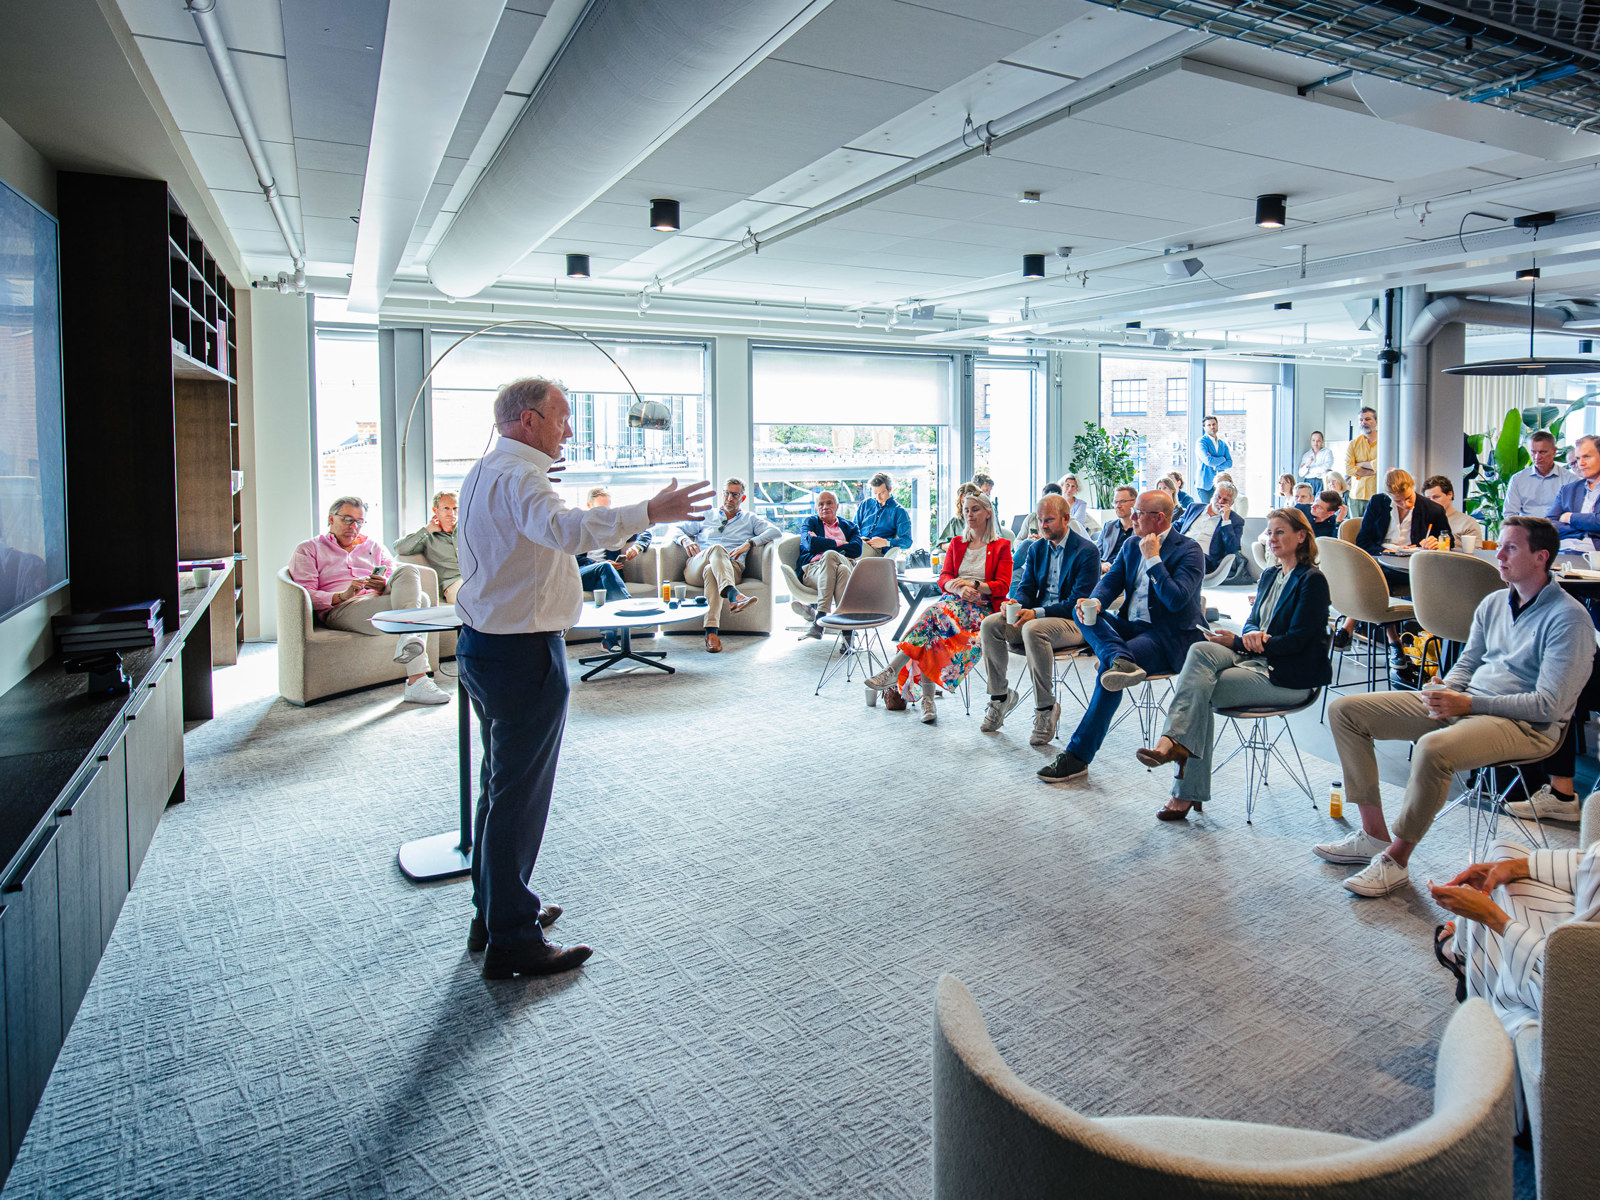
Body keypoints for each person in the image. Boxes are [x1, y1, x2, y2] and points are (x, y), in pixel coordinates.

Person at [455, 376, 712, 978]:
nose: (569, 430)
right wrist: (650, 511)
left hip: (484, 644)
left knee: (499, 788)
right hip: (522, 652)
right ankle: (512, 942)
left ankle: (494, 912)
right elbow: (567, 532)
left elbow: (534, 534)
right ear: (527, 420)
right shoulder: (522, 478)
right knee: (518, 797)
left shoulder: (488, 469)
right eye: (561, 417)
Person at [1315, 517, 1591, 898]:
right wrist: (1446, 688)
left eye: (1511, 548)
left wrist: (1468, 701)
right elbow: (1468, 662)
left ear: (1541, 557)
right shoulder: (1494, 603)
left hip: (1525, 726)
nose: (1499, 555)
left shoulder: (1569, 619)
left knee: (1432, 749)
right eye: (1501, 546)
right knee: (1346, 712)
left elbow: (1548, 705)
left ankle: (1396, 861)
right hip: (1468, 703)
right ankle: (1374, 835)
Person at [1137, 507, 1331, 820]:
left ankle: (1182, 781)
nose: (1271, 538)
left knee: (1200, 690)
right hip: (1255, 657)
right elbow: (1253, 620)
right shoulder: (1270, 575)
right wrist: (1250, 634)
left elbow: (1298, 641)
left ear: (1301, 536)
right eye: (1270, 532)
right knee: (1201, 649)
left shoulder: (1312, 581)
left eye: (1280, 532)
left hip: (1287, 676)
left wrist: (1242, 642)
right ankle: (1172, 743)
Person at [1037, 490, 1206, 783]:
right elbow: (1109, 583)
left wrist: (1153, 559)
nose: (1131, 516)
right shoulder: (1130, 545)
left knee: (1108, 672)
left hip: (1167, 636)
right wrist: (1095, 602)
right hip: (1131, 627)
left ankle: (1077, 756)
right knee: (1082, 611)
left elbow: (1176, 600)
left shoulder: (1189, 550)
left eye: (1138, 512)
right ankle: (1119, 657)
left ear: (1160, 518)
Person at [864, 492, 1011, 724]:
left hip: (981, 611)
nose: (969, 514)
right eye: (966, 510)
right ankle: (926, 701)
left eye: (975, 509)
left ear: (988, 513)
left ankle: (898, 676)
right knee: (932, 631)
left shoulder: (1001, 546)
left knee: (933, 617)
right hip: (952, 605)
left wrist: (974, 586)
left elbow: (1003, 585)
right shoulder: (957, 543)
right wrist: (958, 589)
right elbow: (944, 578)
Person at [1431, 835, 1600, 1034]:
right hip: (1583, 916)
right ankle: (1471, 957)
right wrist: (1516, 867)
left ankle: (1466, 962)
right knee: (1500, 854)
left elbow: (1573, 981)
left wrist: (1493, 917)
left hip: (1571, 975)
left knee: (1498, 895)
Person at [288, 496, 448, 705]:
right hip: (341, 609)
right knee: (423, 601)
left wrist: (382, 586)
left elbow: (395, 579)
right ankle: (417, 679)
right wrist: (343, 595)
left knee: (409, 572)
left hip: (374, 601)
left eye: (359, 522)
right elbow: (305, 594)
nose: (353, 527)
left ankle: (409, 642)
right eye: (347, 520)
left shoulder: (374, 546)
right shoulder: (308, 549)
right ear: (331, 519)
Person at [978, 494, 1098, 746]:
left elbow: (1077, 601)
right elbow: (1027, 587)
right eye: (1040, 520)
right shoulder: (1036, 549)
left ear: (1066, 519)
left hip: (1072, 621)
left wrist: (1037, 613)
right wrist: (1016, 604)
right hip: (1036, 618)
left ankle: (1045, 708)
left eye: (1049, 520)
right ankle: (1000, 697)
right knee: (990, 624)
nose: (1043, 526)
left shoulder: (1087, 551)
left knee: (1033, 629)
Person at [672, 476, 780, 652]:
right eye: (727, 494)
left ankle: (711, 633)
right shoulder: (707, 515)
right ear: (722, 494)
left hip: (731, 569)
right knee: (716, 549)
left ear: (742, 498)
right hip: (696, 568)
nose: (730, 498)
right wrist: (685, 540)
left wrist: (749, 543)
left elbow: (775, 531)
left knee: (712, 570)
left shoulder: (750, 519)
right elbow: (675, 528)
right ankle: (733, 595)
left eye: (735, 495)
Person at [576, 486, 652, 651]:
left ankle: (608, 639)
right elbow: (571, 558)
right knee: (604, 567)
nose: (605, 513)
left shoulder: (613, 526)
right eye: (600, 508)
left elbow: (645, 533)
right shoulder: (579, 527)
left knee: (603, 584)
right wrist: (595, 564)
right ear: (589, 506)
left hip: (607, 577)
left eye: (608, 508)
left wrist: (637, 547)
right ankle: (630, 609)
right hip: (582, 574)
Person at [796, 489, 863, 637]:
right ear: (816, 508)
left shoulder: (850, 526)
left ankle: (820, 618)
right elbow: (810, 544)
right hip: (815, 569)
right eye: (821, 504)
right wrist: (841, 543)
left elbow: (857, 549)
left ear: (837, 506)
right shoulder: (810, 523)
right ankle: (848, 634)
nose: (825, 507)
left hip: (844, 562)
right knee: (842, 571)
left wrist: (823, 543)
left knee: (831, 555)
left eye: (829, 503)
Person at [394, 490, 462, 602]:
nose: (452, 513)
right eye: (446, 508)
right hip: (453, 585)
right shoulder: (427, 538)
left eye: (455, 508)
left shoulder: (468, 530)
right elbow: (400, 548)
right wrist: (427, 529)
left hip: (477, 579)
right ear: (435, 510)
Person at [1175, 480, 1244, 574]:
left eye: (1225, 500)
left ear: (1231, 503)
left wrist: (1226, 521)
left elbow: (1232, 549)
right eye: (1218, 496)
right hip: (1180, 550)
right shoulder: (1194, 508)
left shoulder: (1236, 521)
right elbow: (1176, 526)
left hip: (1204, 559)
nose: (1220, 501)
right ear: (1213, 495)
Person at [1547, 433, 1600, 553]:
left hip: (1593, 554)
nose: (1580, 464)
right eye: (1578, 458)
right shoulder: (1568, 490)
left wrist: (1569, 517)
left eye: (1586, 457)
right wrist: (1587, 529)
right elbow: (1549, 524)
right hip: (1562, 550)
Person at [1503, 429, 1574, 520]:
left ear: (1554, 451)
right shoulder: (1517, 479)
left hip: (1557, 527)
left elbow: (1573, 514)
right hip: (1526, 526)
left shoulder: (1570, 480)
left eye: (1542, 452)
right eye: (1533, 452)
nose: (1537, 457)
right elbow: (1510, 513)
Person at [854, 472, 912, 557]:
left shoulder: (899, 511)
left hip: (877, 550)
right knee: (835, 550)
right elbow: (853, 528)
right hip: (860, 542)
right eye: (875, 493)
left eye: (881, 493)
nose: (878, 497)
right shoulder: (866, 504)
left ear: (890, 489)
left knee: (849, 548)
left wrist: (886, 542)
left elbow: (907, 542)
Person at [1420, 476, 1483, 547]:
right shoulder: (1422, 521)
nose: (1431, 502)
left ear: (1450, 495)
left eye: (1436, 497)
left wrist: (1441, 546)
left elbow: (1476, 551)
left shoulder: (1468, 523)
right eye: (1428, 499)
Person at [1011, 482, 1063, 561]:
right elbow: (1017, 542)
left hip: (1050, 559)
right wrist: (1026, 541)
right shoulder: (1032, 518)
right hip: (1028, 560)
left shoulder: (1065, 521)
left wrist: (1044, 541)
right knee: (1028, 543)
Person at [1344, 405, 1379, 516]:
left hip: (1376, 494)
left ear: (1376, 421)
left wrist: (1360, 464)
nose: (1364, 422)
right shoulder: (1353, 444)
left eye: (1367, 419)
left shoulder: (1384, 442)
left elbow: (1382, 465)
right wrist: (1373, 470)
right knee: (1355, 526)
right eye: (1361, 420)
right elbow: (1348, 469)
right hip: (1356, 495)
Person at [1097, 485, 1136, 569]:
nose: (1118, 506)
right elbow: (1096, 553)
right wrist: (1102, 564)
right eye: (1115, 502)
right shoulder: (1109, 526)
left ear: (1134, 502)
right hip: (1106, 570)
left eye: (1122, 501)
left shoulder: (1142, 530)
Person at [1195, 416, 1232, 503]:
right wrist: (1223, 458)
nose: (1212, 427)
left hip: (1220, 484)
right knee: (1208, 509)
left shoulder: (1222, 443)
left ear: (1217, 425)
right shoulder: (1201, 442)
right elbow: (1208, 461)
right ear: (1204, 428)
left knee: (1220, 508)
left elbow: (1229, 463)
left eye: (1214, 424)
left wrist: (1216, 467)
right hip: (1205, 484)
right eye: (1209, 425)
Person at [937, 482, 982, 548]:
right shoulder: (956, 521)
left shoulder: (986, 519)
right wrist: (956, 546)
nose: (966, 505)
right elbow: (942, 544)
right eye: (963, 502)